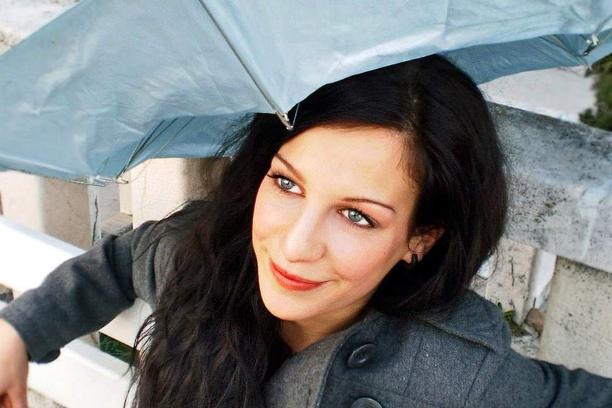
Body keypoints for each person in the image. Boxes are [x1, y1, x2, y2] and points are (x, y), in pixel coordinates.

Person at [0, 54, 611, 408]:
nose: (293, 245)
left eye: (357, 216)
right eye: (287, 184)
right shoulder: (206, 258)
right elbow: (120, 261)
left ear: (420, 238)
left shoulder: (450, 371)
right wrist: (20, 330)